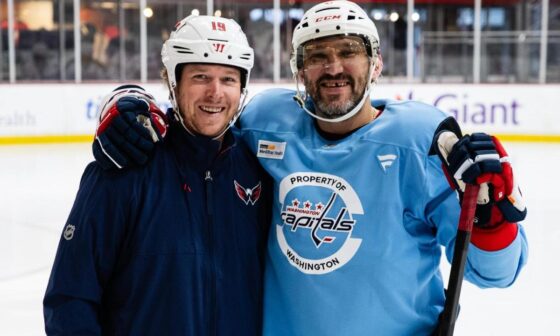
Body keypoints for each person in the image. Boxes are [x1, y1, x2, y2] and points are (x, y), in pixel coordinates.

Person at [89, 2, 528, 335]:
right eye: (317, 55)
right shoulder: (266, 122)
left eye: (348, 52)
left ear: (375, 63)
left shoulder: (422, 142)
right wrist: (129, 103)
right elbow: (200, 126)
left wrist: (492, 221)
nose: (333, 67)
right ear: (299, 70)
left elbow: (495, 274)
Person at [43, 15, 271, 335]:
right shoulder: (125, 167)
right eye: (201, 76)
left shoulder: (259, 172)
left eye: (229, 79)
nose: (215, 93)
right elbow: (70, 299)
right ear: (173, 83)